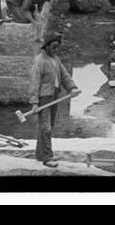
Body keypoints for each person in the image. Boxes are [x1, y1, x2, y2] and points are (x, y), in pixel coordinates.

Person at [28, 34, 79, 166]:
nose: (56, 50)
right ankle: (47, 158)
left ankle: (42, 154)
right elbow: (34, 82)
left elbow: (64, 76)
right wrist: (34, 103)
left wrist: (72, 88)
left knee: (49, 125)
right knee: (46, 127)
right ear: (46, 47)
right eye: (54, 47)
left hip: (54, 95)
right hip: (44, 98)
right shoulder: (39, 61)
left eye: (57, 47)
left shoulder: (55, 59)